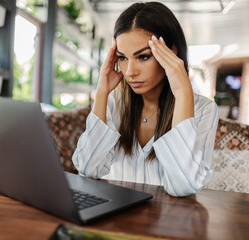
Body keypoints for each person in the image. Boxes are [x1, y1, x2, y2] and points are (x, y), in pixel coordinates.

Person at [72, 2, 218, 197]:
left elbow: (184, 186)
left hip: (169, 224)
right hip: (115, 220)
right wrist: (101, 92)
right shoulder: (114, 102)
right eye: (123, 58)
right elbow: (87, 169)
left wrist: (183, 93)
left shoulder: (203, 109)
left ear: (171, 52)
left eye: (143, 57)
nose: (130, 72)